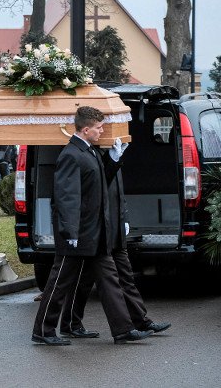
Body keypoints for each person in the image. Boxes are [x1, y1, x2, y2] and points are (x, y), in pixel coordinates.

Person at [32, 106, 152, 345]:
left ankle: (123, 330)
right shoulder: (70, 155)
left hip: (95, 233)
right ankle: (43, 331)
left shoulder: (89, 152)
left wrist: (113, 160)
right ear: (86, 129)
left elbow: (98, 182)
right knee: (59, 282)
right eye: (98, 128)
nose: (102, 131)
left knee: (110, 281)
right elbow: (67, 197)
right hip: (77, 233)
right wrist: (70, 231)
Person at [59, 140, 171, 338]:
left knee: (125, 276)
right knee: (83, 280)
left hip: (114, 226)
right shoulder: (93, 157)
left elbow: (118, 193)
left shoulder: (106, 155)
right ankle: (72, 324)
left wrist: (124, 217)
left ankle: (140, 321)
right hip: (98, 228)